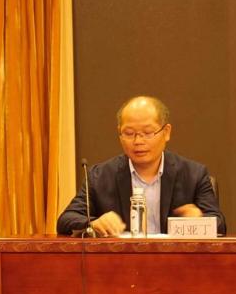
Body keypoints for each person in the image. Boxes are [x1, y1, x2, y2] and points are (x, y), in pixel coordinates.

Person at [56, 95, 225, 237]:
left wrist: (199, 221)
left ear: (166, 132)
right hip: (121, 262)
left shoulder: (194, 174)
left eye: (148, 133)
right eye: (129, 133)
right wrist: (93, 223)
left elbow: (220, 224)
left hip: (176, 262)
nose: (138, 141)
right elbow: (65, 220)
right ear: (120, 134)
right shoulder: (99, 176)